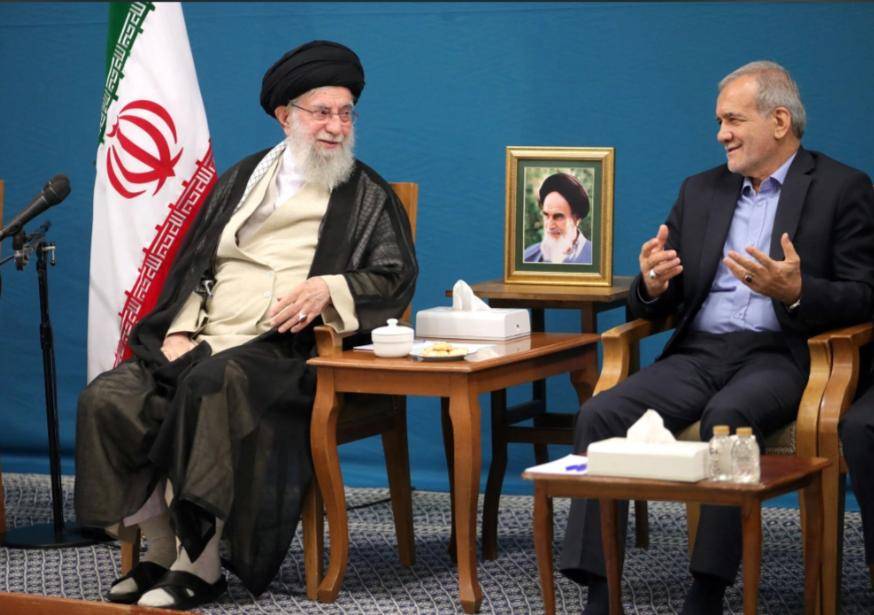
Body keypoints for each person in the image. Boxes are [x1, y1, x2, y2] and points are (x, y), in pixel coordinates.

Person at [74, 40, 417, 610]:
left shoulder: (366, 195)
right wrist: (181, 327)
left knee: (211, 386)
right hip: (207, 338)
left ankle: (202, 565)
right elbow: (195, 265)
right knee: (108, 397)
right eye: (322, 112)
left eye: (345, 113)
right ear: (286, 116)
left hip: (286, 350)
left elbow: (393, 276)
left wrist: (328, 289)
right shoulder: (241, 178)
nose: (336, 127)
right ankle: (160, 548)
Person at [559, 60, 874, 614]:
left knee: (728, 417)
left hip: (781, 354)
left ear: (779, 121)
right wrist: (652, 284)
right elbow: (661, 297)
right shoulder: (700, 190)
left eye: (733, 120)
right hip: (700, 353)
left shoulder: (841, 188)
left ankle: (707, 587)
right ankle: (599, 590)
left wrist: (797, 291)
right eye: (719, 122)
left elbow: (865, 294)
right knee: (599, 414)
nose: (721, 134)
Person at [523, 172, 593, 264]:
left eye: (558, 216)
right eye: (546, 215)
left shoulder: (597, 259)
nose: (550, 225)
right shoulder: (528, 258)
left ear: (577, 219)